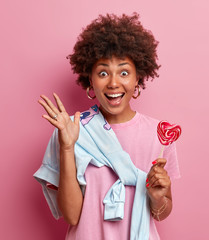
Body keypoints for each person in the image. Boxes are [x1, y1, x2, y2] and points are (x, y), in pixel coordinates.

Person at [34, 13, 180, 240]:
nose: (113, 83)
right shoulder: (71, 131)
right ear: (90, 79)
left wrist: (158, 196)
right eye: (103, 73)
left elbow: (161, 214)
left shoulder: (159, 136)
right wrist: (67, 147)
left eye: (124, 72)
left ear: (137, 78)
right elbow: (72, 217)